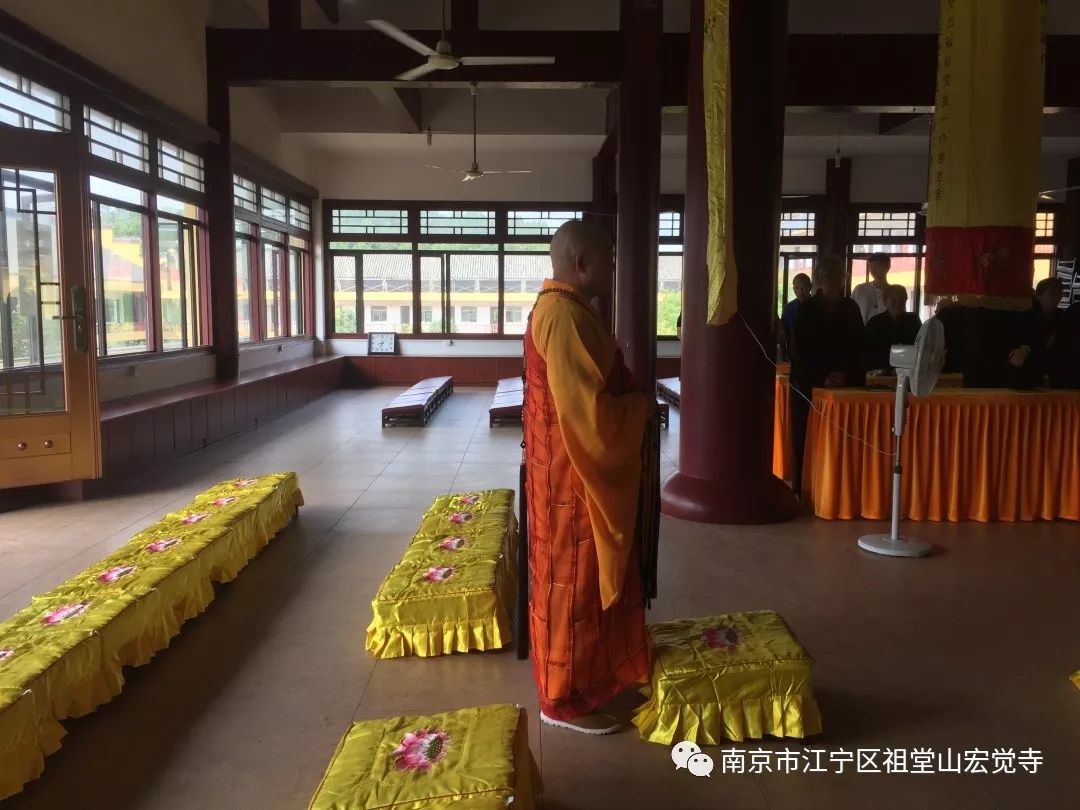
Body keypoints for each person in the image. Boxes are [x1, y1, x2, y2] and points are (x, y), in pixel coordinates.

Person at [522, 219, 652, 735]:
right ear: (581, 264)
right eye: (607, 254)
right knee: (572, 586)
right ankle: (562, 699)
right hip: (573, 478)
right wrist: (638, 408)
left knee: (586, 584)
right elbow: (590, 418)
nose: (614, 262)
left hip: (568, 469)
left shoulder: (572, 310)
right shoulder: (563, 317)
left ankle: (595, 677)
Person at [789, 256, 865, 496]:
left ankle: (841, 489)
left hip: (844, 383)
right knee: (806, 437)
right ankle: (805, 488)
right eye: (830, 278)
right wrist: (821, 378)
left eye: (839, 278)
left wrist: (846, 374)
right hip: (809, 384)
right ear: (820, 280)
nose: (835, 283)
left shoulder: (850, 308)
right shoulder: (806, 309)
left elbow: (859, 347)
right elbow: (799, 351)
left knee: (843, 441)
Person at [864, 284, 922, 372]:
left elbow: (920, 347)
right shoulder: (875, 322)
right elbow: (870, 353)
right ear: (885, 302)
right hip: (881, 373)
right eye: (894, 299)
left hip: (909, 372)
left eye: (902, 300)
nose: (898, 303)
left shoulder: (913, 320)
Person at [779, 272, 811, 361]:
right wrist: (783, 356)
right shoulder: (788, 309)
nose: (800, 291)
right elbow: (783, 335)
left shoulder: (817, 307)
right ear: (793, 289)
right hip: (793, 356)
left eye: (803, 287)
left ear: (810, 287)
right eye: (796, 288)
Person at [851, 253, 891, 323]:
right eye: (870, 267)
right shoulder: (859, 289)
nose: (872, 271)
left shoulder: (894, 293)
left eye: (877, 266)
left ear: (888, 267)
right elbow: (850, 314)